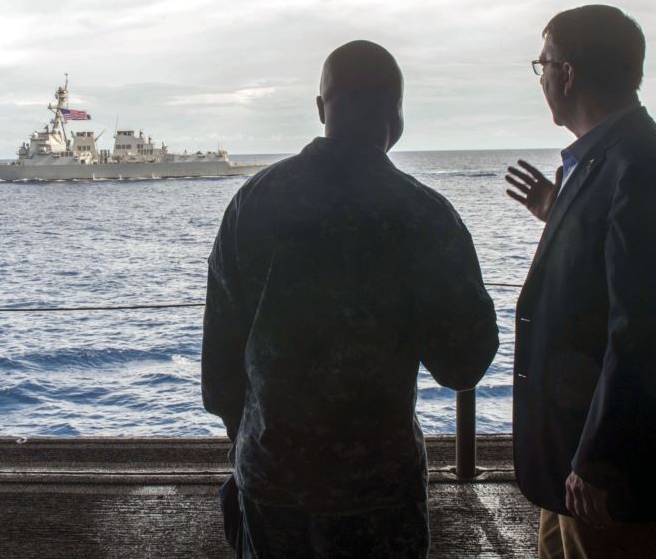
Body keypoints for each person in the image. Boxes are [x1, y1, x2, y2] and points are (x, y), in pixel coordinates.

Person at [203, 40, 499, 558]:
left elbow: (219, 367)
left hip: (271, 483)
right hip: (379, 493)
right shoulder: (424, 216)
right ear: (396, 113)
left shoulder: (252, 203)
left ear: (321, 109)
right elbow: (463, 364)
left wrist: (250, 443)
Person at [505, 5, 656, 558]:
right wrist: (559, 214)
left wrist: (600, 457)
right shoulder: (607, 159)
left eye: (543, 63)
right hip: (573, 444)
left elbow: (644, 328)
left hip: (599, 458)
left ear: (568, 73)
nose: (542, 78)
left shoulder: (641, 163)